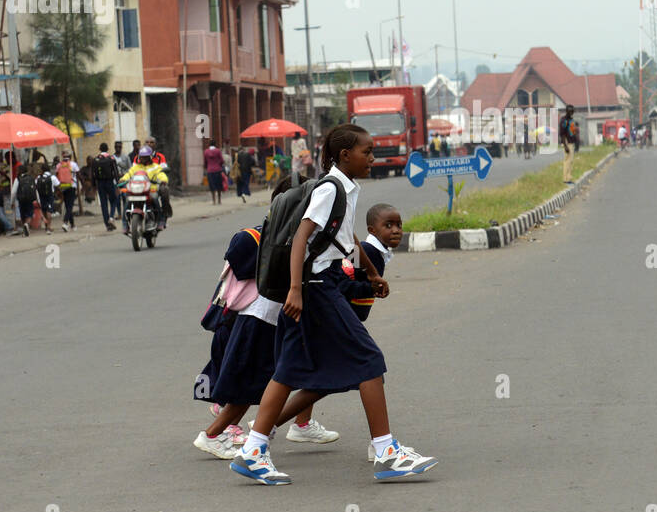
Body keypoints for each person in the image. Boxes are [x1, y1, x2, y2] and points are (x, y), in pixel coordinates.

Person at [229, 124, 437, 485]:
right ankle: (387, 452)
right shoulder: (331, 188)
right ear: (345, 155)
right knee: (369, 360)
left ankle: (252, 451)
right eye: (367, 152)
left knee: (289, 368)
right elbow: (300, 238)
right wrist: (295, 289)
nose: (373, 158)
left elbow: (343, 236)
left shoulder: (344, 188)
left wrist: (370, 272)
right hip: (315, 286)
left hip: (314, 285)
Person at [195, 218, 341, 459]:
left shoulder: (286, 238)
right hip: (259, 319)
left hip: (268, 320)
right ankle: (214, 434)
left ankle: (275, 429)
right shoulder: (283, 241)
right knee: (250, 386)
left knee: (260, 384)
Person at [118, 146, 170, 229]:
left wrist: (163, 180)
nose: (143, 159)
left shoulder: (156, 167)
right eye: (141, 157)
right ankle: (125, 223)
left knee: (155, 199)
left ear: (150, 157)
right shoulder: (136, 167)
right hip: (136, 190)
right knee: (127, 200)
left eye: (145, 157)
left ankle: (160, 220)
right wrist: (123, 179)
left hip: (151, 189)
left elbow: (161, 174)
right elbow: (129, 174)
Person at [88, 144, 120, 230]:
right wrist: (118, 184)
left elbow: (93, 174)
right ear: (108, 149)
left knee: (103, 203)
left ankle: (107, 225)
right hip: (109, 182)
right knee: (114, 200)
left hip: (100, 183)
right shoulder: (111, 159)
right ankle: (111, 217)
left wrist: (94, 185)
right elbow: (116, 172)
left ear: (99, 149)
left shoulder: (95, 160)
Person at [55, 153, 79, 231]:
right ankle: (65, 222)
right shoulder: (73, 164)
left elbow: (56, 175)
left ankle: (72, 225)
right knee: (70, 206)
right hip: (72, 186)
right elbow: (78, 174)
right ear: (70, 157)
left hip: (63, 186)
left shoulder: (59, 165)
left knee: (67, 205)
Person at [13, 164, 37, 237]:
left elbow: (13, 191)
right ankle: (27, 224)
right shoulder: (31, 178)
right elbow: (35, 190)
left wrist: (12, 201)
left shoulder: (18, 179)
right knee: (29, 213)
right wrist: (38, 200)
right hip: (30, 199)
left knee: (22, 214)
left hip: (21, 199)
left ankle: (24, 228)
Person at [559, 104, 580, 184]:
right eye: (570, 111)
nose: (572, 113)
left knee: (571, 161)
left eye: (573, 111)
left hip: (571, 141)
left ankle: (569, 177)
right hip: (567, 142)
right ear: (567, 111)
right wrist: (565, 146)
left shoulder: (571, 119)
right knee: (567, 160)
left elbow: (573, 130)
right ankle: (565, 179)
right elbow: (562, 134)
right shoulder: (564, 120)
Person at [35, 163, 58, 232]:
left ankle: (46, 226)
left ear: (42, 169)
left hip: (41, 196)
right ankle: (49, 227)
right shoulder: (52, 177)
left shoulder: (38, 177)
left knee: (44, 210)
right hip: (50, 196)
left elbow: (35, 185)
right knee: (49, 211)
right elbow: (58, 185)